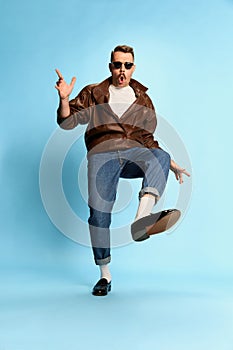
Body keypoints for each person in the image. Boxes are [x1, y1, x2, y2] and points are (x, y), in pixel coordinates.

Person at [55, 45, 190, 296]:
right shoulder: (94, 93)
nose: (122, 70)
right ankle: (105, 276)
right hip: (101, 154)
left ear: (133, 67)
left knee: (160, 154)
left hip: (132, 153)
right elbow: (67, 121)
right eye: (117, 65)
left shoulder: (143, 98)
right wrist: (64, 100)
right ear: (110, 67)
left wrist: (168, 162)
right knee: (99, 215)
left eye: (127, 65)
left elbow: (148, 138)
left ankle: (141, 221)